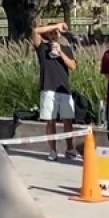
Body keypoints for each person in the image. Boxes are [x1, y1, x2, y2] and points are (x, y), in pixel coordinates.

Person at [30, 21, 78, 161]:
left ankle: (70, 149)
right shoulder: (42, 47)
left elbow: (73, 66)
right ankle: (52, 150)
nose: (54, 34)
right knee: (50, 121)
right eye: (51, 32)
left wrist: (60, 52)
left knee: (67, 120)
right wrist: (56, 25)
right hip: (48, 87)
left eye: (55, 32)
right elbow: (35, 31)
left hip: (63, 88)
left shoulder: (66, 48)